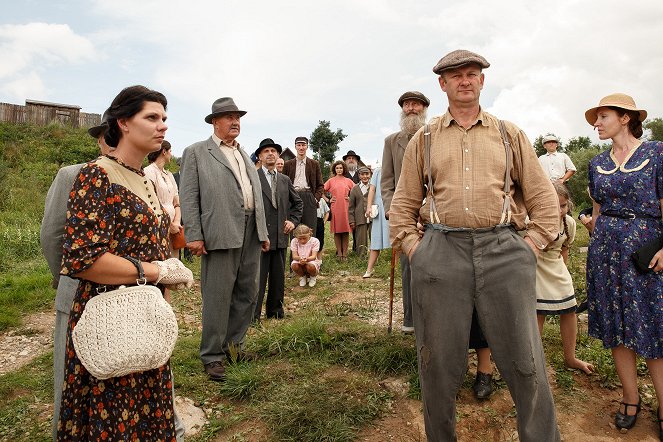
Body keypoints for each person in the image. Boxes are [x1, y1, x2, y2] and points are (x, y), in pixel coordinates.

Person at [389, 49, 561, 441]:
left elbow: (543, 198)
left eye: (472, 74)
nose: (465, 80)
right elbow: (402, 205)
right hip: (440, 252)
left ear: (482, 81)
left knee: (525, 360)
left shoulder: (508, 133)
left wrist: (529, 245)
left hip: (504, 251)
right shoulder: (426, 137)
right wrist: (418, 250)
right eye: (456, 76)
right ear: (443, 84)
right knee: (437, 362)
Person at [57, 85, 194, 440]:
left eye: (164, 118)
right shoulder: (96, 174)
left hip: (143, 314)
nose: (162, 125)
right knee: (115, 416)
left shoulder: (143, 178)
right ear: (123, 123)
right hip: (109, 317)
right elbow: (82, 258)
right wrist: (156, 271)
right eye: (151, 117)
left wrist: (164, 280)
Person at [584, 93, 663, 438]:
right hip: (605, 253)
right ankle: (630, 398)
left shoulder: (657, 154)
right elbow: (598, 212)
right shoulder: (596, 163)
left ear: (626, 118)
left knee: (653, 327)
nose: (596, 124)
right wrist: (593, 229)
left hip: (647, 252)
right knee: (617, 326)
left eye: (602, 116)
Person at [180, 97, 270, 381]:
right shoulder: (197, 152)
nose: (235, 122)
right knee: (218, 295)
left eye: (238, 117)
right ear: (214, 122)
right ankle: (212, 355)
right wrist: (193, 234)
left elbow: (255, 195)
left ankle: (234, 347)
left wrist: (263, 232)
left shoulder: (244, 154)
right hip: (219, 229)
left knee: (248, 292)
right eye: (229, 117)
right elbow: (189, 196)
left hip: (251, 231)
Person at [41, 111, 114, 440]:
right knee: (71, 379)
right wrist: (68, 278)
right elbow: (52, 234)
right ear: (100, 141)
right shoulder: (72, 174)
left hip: (122, 298)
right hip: (78, 295)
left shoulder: (137, 179)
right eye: (107, 136)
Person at [381, 90, 429, 333]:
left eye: (416, 104)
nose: (411, 108)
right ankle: (411, 319)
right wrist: (392, 210)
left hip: (434, 211)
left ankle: (433, 317)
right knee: (409, 265)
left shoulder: (436, 135)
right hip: (405, 212)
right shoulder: (392, 141)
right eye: (407, 104)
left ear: (424, 109)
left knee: (437, 264)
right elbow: (387, 181)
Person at [535, 182, 594, 374]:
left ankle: (571, 357)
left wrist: (564, 272)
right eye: (554, 205)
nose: (559, 210)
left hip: (556, 265)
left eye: (563, 206)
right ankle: (533, 359)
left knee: (570, 311)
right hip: (535, 267)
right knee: (538, 313)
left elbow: (564, 249)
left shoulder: (569, 223)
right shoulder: (532, 220)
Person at [253, 138, 302, 321]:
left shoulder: (284, 180)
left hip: (280, 237)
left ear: (278, 155)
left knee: (277, 279)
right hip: (259, 238)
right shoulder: (253, 177)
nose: (270, 154)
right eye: (266, 151)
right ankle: (253, 315)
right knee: (256, 280)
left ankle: (275, 313)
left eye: (273, 151)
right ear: (260, 156)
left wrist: (293, 222)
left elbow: (298, 204)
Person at [145, 140, 182, 258]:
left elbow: (176, 200)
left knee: (174, 259)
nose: (171, 154)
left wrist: (176, 222)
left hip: (174, 225)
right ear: (164, 152)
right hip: (158, 223)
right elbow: (150, 201)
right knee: (160, 260)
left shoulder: (169, 174)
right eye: (170, 151)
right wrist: (169, 224)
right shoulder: (149, 172)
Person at [282, 136, 323, 233]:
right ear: (295, 147)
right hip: (293, 196)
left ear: (307, 146)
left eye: (303, 145)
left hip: (309, 196)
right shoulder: (288, 164)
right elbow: (283, 184)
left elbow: (320, 185)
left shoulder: (314, 164)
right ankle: (294, 248)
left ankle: (310, 248)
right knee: (293, 227)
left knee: (309, 229)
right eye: (299, 145)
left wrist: (315, 198)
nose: (301, 147)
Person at [324, 160, 355, 260]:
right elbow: (321, 190)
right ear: (334, 169)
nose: (339, 170)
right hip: (335, 208)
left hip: (346, 208)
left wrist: (351, 199)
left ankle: (345, 254)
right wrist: (328, 199)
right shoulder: (331, 181)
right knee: (337, 231)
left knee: (345, 231)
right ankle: (339, 254)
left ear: (344, 169)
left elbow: (357, 191)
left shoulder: (348, 181)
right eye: (337, 168)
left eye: (341, 168)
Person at [348, 166, 372, 257]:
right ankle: (362, 257)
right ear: (359, 175)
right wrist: (352, 220)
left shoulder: (373, 187)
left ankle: (375, 257)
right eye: (362, 174)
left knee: (374, 237)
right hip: (360, 217)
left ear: (370, 175)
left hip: (373, 216)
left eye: (367, 174)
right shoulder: (355, 189)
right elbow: (351, 207)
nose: (365, 176)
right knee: (361, 238)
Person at [315, 196, 330, 261]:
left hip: (320, 221)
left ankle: (319, 260)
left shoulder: (321, 200)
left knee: (320, 241)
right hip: (311, 220)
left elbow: (327, 212)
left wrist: (324, 222)